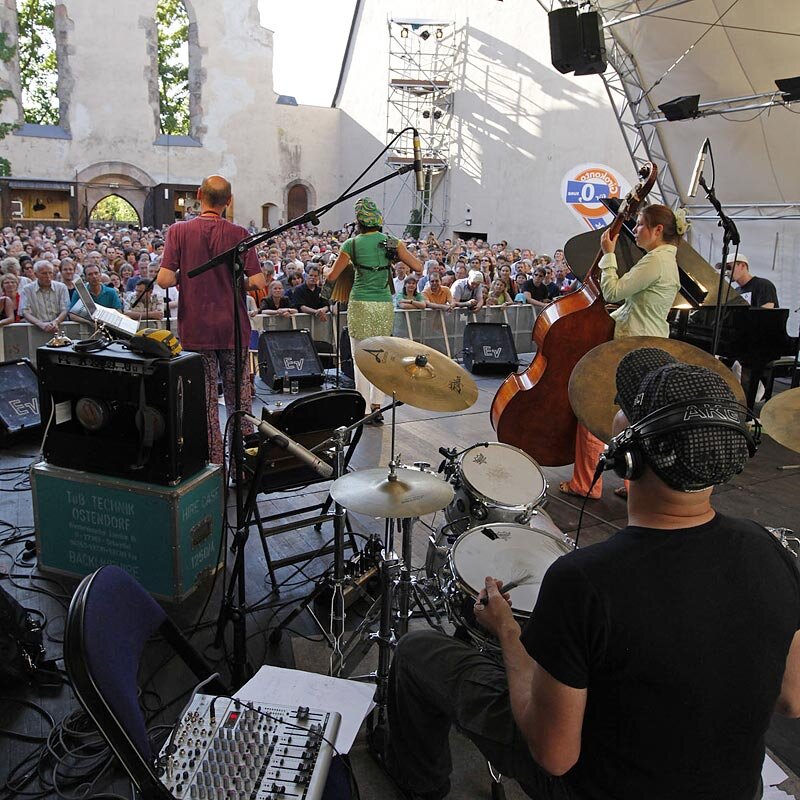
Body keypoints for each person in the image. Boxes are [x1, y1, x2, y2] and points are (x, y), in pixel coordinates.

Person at [377, 347, 800, 800]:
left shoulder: (585, 580)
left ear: (627, 457)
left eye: (623, 414)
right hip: (735, 789)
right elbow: (790, 698)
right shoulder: (771, 550)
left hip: (597, 788)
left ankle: (417, 783)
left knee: (419, 650)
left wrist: (507, 633)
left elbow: (554, 755)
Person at [560, 204, 683, 500]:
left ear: (657, 230)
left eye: (640, 224)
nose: (636, 230)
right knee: (632, 417)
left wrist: (609, 254)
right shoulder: (667, 262)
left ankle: (585, 483)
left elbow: (613, 291)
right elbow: (638, 304)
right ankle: (632, 483)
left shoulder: (654, 262)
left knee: (593, 410)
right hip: (650, 344)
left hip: (631, 347)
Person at [157, 175, 266, 466]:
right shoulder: (240, 233)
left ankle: (214, 467)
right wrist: (232, 280)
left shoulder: (179, 231)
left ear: (198, 195)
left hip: (196, 331)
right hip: (233, 330)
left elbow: (165, 278)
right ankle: (241, 467)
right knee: (240, 402)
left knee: (205, 404)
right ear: (229, 201)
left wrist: (190, 277)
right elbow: (257, 280)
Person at [325, 197, 421, 421]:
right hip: (383, 305)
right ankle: (378, 406)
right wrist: (394, 256)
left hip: (359, 303)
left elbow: (332, 277)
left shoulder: (352, 244)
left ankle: (363, 408)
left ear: (359, 222)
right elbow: (417, 266)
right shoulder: (392, 242)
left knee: (360, 357)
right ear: (378, 220)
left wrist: (328, 269)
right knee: (381, 355)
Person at [19, 260, 69, 333]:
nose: (48, 276)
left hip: (59, 329)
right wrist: (41, 324)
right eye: (44, 273)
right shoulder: (27, 289)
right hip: (36, 330)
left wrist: (56, 322)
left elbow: (65, 309)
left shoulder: (61, 287)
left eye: (50, 273)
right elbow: (25, 312)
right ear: (36, 274)